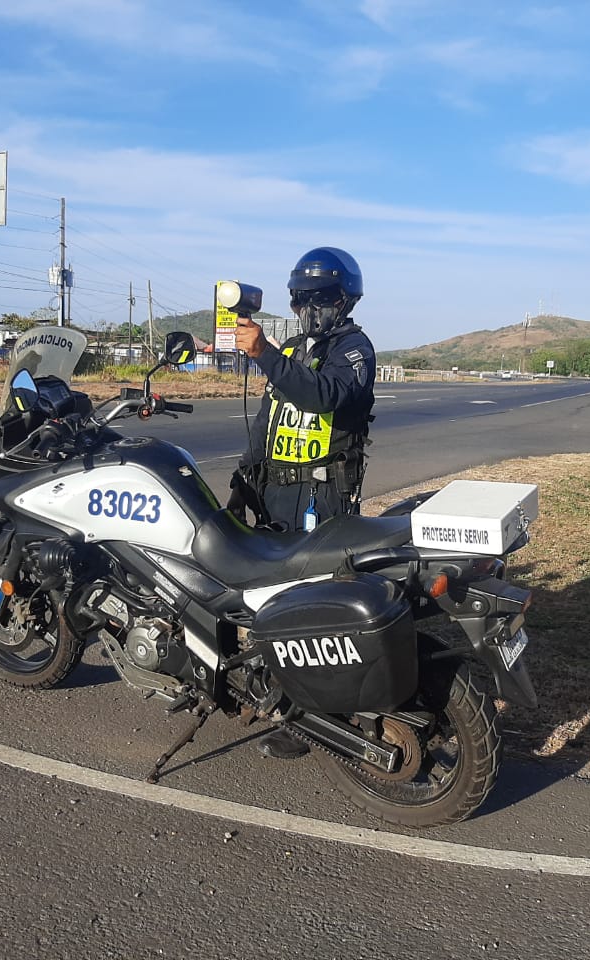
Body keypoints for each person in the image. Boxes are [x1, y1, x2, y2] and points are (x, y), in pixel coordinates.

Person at [230, 246, 377, 759]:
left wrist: (264, 354)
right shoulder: (291, 349)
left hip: (322, 496)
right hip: (275, 495)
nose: (311, 309)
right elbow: (268, 420)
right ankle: (272, 690)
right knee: (265, 599)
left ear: (345, 299)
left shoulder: (354, 351)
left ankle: (317, 717)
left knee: (314, 611)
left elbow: (324, 396)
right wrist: (242, 482)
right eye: (302, 299)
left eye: (322, 298)